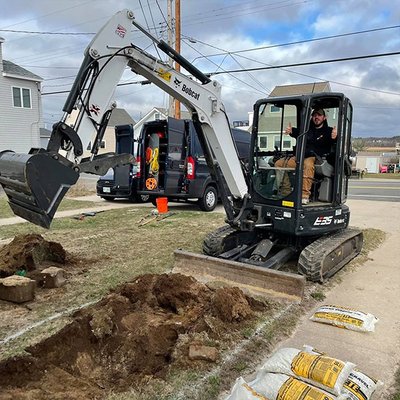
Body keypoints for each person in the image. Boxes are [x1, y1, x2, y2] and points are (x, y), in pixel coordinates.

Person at [275, 108, 337, 204]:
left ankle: (304, 196)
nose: (317, 117)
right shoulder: (306, 130)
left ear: (324, 118)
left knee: (307, 165)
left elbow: (334, 140)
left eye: (319, 115)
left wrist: (335, 137)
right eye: (314, 115)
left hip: (316, 158)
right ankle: (285, 192)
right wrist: (291, 131)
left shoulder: (329, 131)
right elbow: (297, 132)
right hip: (300, 156)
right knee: (279, 164)